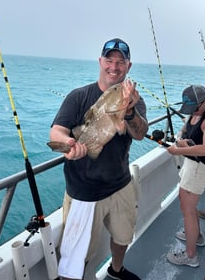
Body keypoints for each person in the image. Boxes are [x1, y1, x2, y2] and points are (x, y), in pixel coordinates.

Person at [49, 38, 148, 280]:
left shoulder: (134, 100)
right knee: (77, 255)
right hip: (85, 190)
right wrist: (70, 144)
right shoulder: (78, 96)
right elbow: (57, 132)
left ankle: (116, 269)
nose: (114, 67)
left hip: (121, 183)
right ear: (100, 62)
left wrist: (130, 111)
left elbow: (140, 133)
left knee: (123, 236)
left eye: (120, 62)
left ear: (128, 66)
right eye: (109, 60)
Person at [166, 85, 205, 268]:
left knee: (187, 209)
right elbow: (185, 133)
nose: (193, 111)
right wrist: (180, 140)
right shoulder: (195, 113)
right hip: (191, 165)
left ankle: (190, 256)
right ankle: (196, 236)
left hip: (200, 168)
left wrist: (179, 150)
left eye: (195, 107)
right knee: (185, 203)